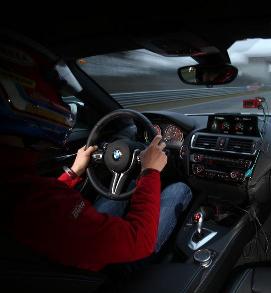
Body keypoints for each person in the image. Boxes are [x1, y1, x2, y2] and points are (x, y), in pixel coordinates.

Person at [0, 33, 192, 272]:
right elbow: (139, 240)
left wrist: (72, 173)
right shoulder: (38, 207)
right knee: (179, 189)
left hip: (70, 248)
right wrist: (151, 171)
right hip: (108, 268)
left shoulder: (19, 188)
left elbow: (41, 204)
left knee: (123, 187)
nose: (58, 101)